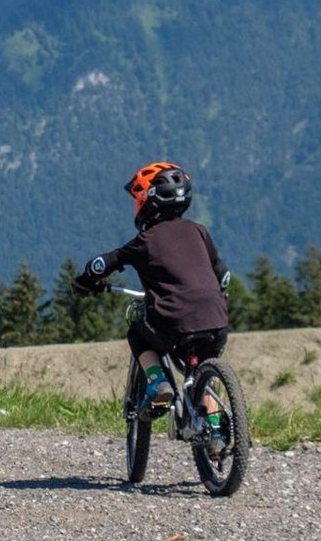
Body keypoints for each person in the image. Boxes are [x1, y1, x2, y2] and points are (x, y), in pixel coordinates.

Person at [72, 162, 231, 433]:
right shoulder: (199, 231)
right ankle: (215, 429)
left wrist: (86, 281)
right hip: (217, 320)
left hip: (173, 321)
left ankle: (157, 383)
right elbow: (223, 276)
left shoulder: (144, 240)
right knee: (204, 367)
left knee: (137, 332)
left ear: (148, 200)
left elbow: (104, 262)